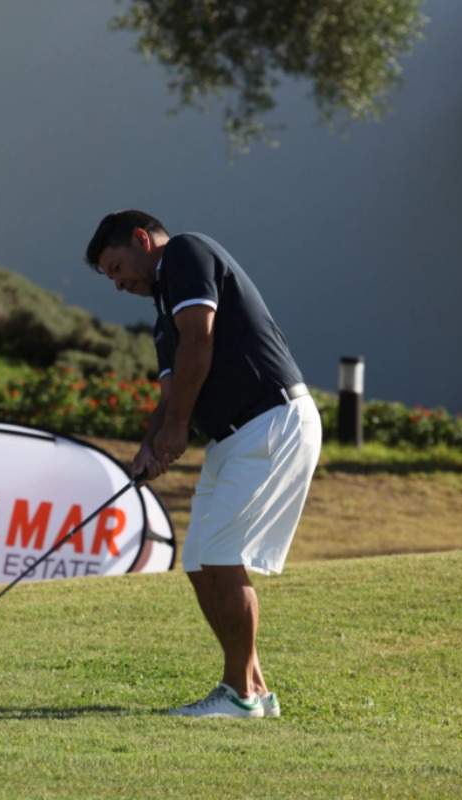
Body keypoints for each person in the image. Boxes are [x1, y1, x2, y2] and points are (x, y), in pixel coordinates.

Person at [84, 210, 321, 719]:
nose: (119, 282)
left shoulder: (187, 253)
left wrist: (176, 429)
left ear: (143, 240)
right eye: (112, 277)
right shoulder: (163, 317)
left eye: (118, 266)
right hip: (233, 437)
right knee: (198, 562)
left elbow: (201, 343)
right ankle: (253, 688)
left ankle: (237, 693)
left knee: (221, 556)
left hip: (270, 419)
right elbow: (171, 393)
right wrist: (151, 445)